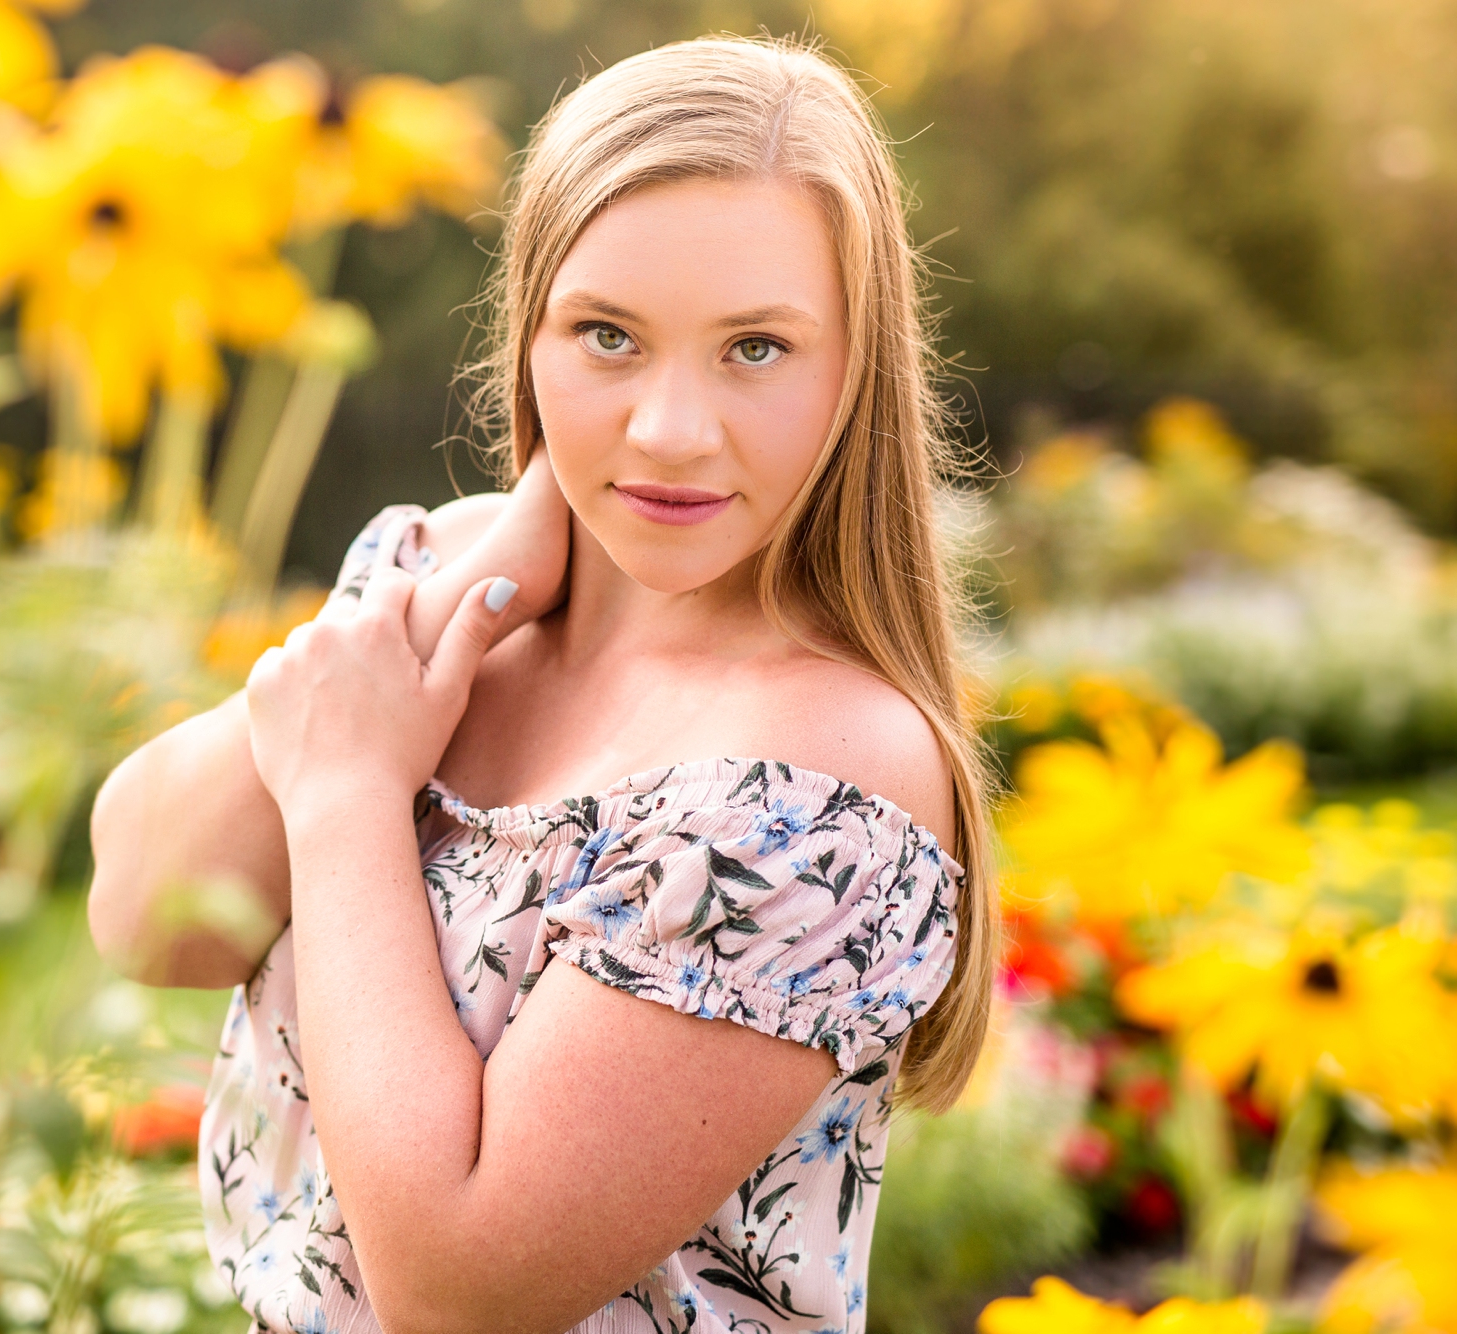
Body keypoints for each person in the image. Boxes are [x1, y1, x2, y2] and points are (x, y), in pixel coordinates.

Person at [88, 34, 998, 1334]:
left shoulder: (820, 772)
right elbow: (143, 912)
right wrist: (446, 594)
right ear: (530, 336)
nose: (671, 430)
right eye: (608, 336)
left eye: (755, 349)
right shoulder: (447, 583)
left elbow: (456, 1285)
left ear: (858, 370)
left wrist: (347, 792)